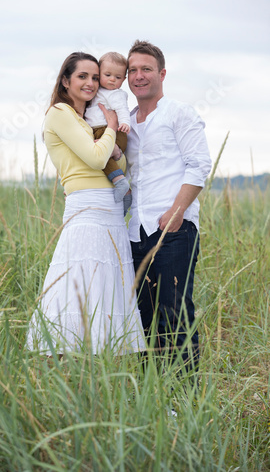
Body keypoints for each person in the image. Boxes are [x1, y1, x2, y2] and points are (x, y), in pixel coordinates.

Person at [26, 52, 145, 355]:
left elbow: (118, 160)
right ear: (65, 81)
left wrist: (112, 141)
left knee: (108, 291)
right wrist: (111, 126)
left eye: (95, 77)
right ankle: (70, 372)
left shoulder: (86, 118)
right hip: (87, 209)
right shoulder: (60, 113)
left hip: (112, 210)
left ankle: (100, 379)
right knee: (80, 286)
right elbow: (95, 157)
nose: (91, 83)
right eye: (82, 76)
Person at [125, 40, 212, 372]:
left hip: (175, 230)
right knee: (143, 316)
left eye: (146, 69)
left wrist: (176, 212)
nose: (138, 76)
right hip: (137, 233)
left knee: (175, 311)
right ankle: (154, 396)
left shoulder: (180, 113)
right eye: (132, 70)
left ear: (161, 73)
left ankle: (183, 397)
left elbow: (199, 165)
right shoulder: (126, 123)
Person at [85, 52, 132, 215]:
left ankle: (120, 181)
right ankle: (121, 187)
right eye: (108, 75)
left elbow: (122, 109)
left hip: (111, 130)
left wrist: (125, 122)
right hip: (101, 129)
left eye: (118, 77)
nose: (112, 79)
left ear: (123, 80)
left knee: (101, 154)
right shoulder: (96, 91)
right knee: (97, 157)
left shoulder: (116, 94)